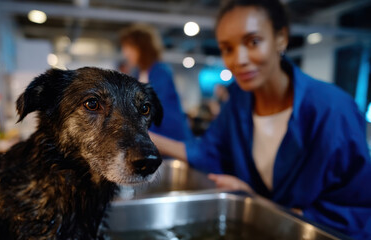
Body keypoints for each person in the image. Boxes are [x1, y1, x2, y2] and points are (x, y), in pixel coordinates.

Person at [149, 0, 371, 239]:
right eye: (227, 49)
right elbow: (207, 151)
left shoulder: (332, 110)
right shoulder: (238, 103)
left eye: (253, 42)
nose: (239, 60)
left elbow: (355, 208)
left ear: (281, 38)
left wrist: (258, 201)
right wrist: (140, 136)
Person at [120, 24, 191, 141]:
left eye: (128, 47)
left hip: (170, 138)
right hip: (154, 137)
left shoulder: (161, 71)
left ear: (141, 47)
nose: (125, 53)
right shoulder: (138, 73)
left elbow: (156, 110)